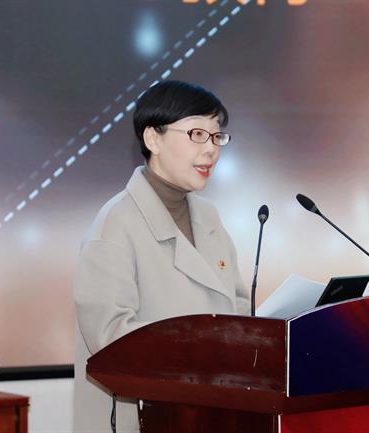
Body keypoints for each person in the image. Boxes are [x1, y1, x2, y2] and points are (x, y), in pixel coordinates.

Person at [73, 80, 250, 433]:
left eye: (217, 136)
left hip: (211, 414)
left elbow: (238, 305)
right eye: (197, 134)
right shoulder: (115, 225)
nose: (211, 150)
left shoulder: (209, 217)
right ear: (153, 139)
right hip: (143, 419)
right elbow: (111, 340)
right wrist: (202, 347)